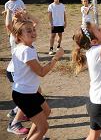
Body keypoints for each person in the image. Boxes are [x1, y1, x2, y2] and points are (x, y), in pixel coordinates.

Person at [10, 11, 64, 140]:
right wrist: (56, 57)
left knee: (46, 112)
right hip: (24, 95)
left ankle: (29, 138)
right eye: (29, 31)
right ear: (19, 36)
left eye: (33, 29)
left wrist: (22, 17)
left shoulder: (25, 45)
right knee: (43, 127)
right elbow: (41, 72)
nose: (33, 32)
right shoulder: (26, 51)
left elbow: (33, 23)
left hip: (30, 91)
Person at [4, 0, 30, 135]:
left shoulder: (25, 31)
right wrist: (9, 12)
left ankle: (15, 111)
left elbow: (33, 22)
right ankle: (14, 123)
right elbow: (8, 26)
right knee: (28, 96)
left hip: (20, 71)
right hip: (15, 71)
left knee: (34, 93)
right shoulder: (15, 35)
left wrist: (24, 15)